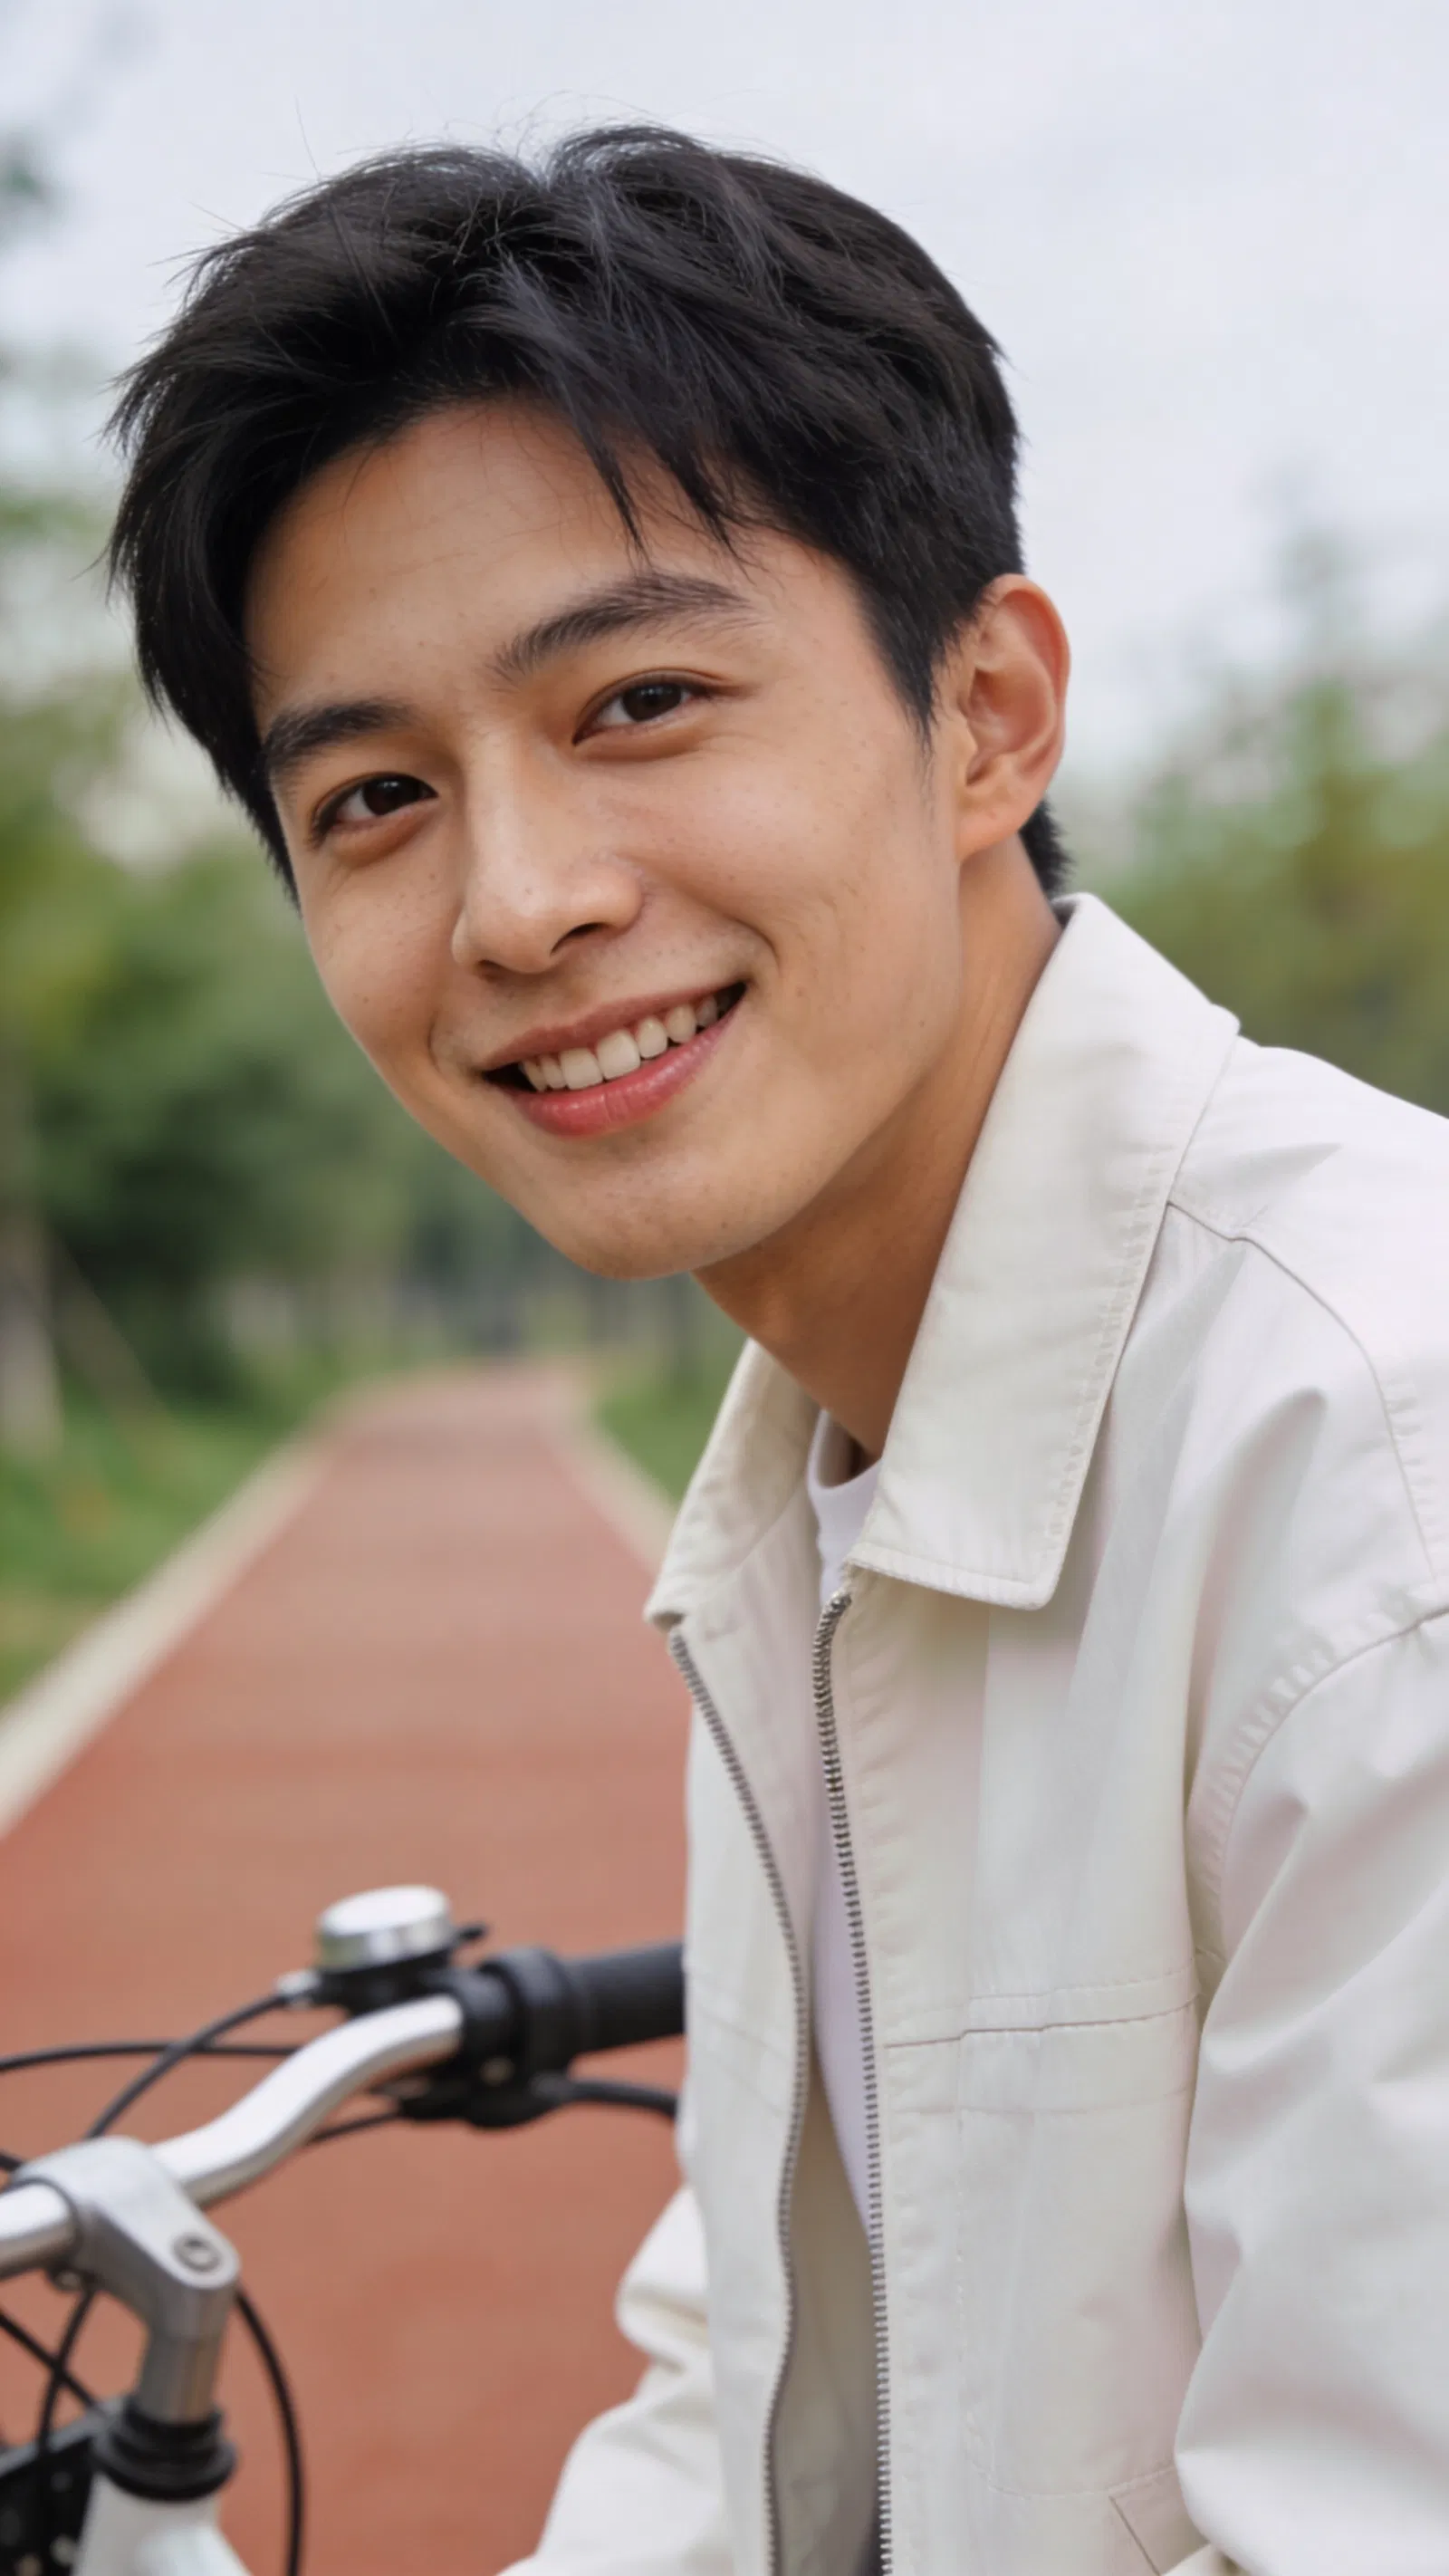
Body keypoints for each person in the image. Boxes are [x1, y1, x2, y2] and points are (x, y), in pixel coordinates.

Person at [106, 129, 1449, 2576]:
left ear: (990, 717)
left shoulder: (1377, 1465)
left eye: (635, 700)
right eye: (380, 794)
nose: (522, 900)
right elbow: (751, 2394)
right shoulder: (824, 1448)